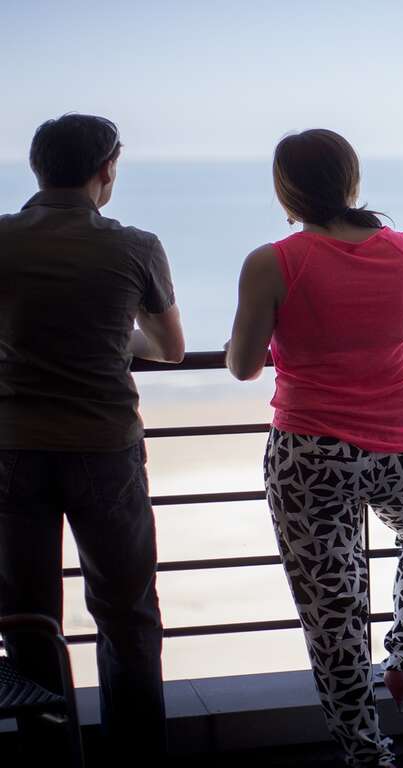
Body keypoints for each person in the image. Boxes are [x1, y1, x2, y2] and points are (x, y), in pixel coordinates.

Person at [226, 128, 403, 767]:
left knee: (334, 613)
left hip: (310, 455)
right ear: (353, 182)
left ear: (286, 191)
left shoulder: (272, 261)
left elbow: (243, 366)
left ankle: (368, 756)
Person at [0, 114, 184, 761]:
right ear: (107, 168)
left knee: (28, 618)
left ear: (37, 168)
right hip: (105, 448)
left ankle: (49, 752)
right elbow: (169, 347)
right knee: (127, 614)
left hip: (12, 450)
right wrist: (114, 337)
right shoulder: (135, 246)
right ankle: (137, 757)